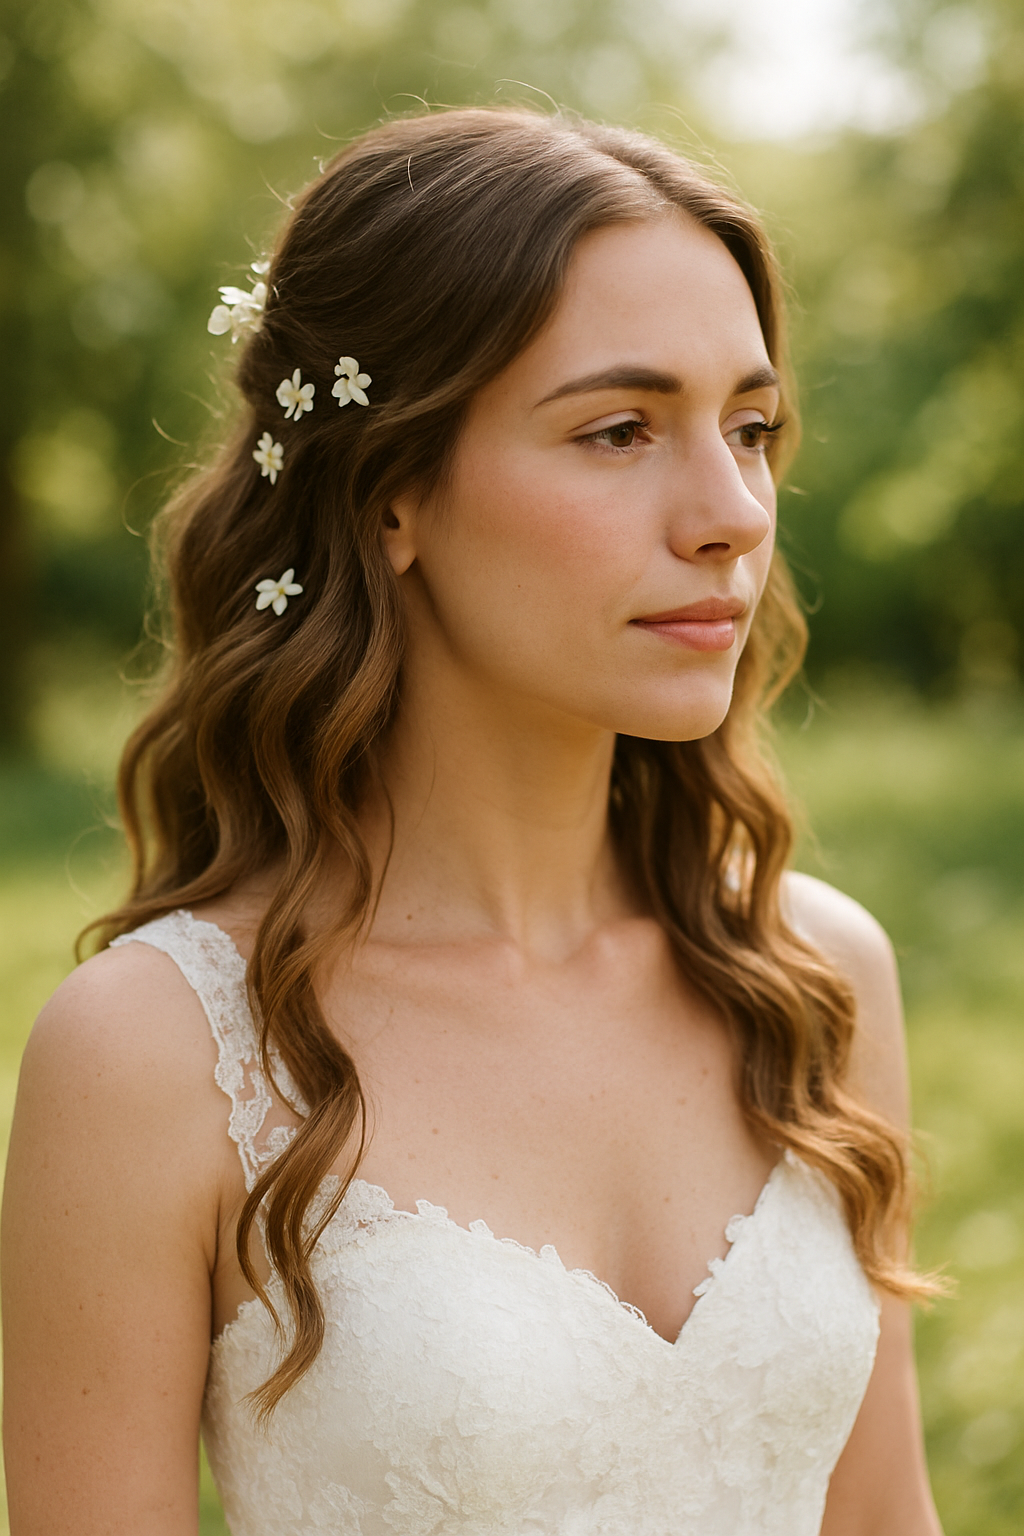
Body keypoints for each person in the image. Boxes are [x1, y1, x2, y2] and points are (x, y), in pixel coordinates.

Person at [1, 107, 944, 1535]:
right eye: (621, 429)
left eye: (750, 427)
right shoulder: (157, 1057)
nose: (732, 511)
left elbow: (882, 1517)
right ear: (390, 495)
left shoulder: (811, 977)